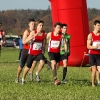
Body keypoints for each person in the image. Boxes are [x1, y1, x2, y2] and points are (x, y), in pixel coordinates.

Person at [21, 19, 46, 84]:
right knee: (28, 67)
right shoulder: (33, 32)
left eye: (42, 25)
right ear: (37, 26)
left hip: (39, 53)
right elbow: (24, 41)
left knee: (42, 62)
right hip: (32, 53)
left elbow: (44, 42)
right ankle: (23, 79)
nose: (41, 27)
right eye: (40, 25)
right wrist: (31, 38)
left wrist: (43, 48)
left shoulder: (44, 33)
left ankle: (37, 73)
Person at [15, 18, 35, 83]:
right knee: (22, 65)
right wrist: (30, 37)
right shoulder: (26, 31)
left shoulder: (35, 32)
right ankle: (17, 77)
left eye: (34, 24)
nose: (33, 25)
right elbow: (23, 42)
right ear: (29, 24)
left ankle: (23, 78)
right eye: (32, 24)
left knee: (29, 65)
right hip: (25, 50)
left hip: (32, 51)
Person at [87, 20, 100, 87]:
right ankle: (93, 84)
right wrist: (95, 47)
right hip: (92, 54)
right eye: (98, 25)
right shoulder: (90, 35)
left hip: (99, 55)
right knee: (94, 70)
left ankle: (98, 81)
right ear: (94, 26)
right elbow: (88, 46)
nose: (99, 27)